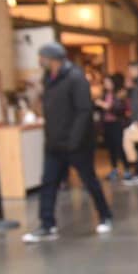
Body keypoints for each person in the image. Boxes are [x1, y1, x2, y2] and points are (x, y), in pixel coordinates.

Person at [22, 42, 114, 243]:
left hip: (76, 143)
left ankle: (105, 215)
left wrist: (74, 140)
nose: (39, 61)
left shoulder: (75, 78)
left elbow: (83, 110)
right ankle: (47, 224)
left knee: (89, 180)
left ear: (52, 58)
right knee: (48, 183)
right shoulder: (48, 79)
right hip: (54, 142)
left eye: (42, 57)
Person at [95, 73, 129, 180]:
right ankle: (114, 169)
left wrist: (105, 105)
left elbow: (119, 109)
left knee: (120, 147)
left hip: (117, 124)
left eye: (108, 82)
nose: (106, 84)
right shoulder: (104, 94)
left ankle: (127, 169)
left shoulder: (120, 94)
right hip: (107, 124)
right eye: (105, 83)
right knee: (111, 148)